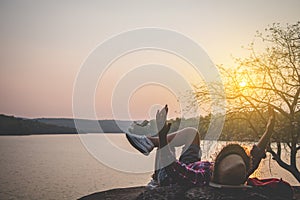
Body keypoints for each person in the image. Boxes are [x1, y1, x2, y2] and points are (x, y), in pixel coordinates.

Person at [126, 105, 275, 188]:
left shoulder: (201, 178)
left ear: (215, 167)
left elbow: (173, 169)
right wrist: (269, 130)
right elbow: (255, 155)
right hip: (192, 164)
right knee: (192, 133)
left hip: (169, 176)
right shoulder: (239, 174)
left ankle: (152, 143)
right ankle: (150, 142)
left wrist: (163, 136)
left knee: (168, 147)